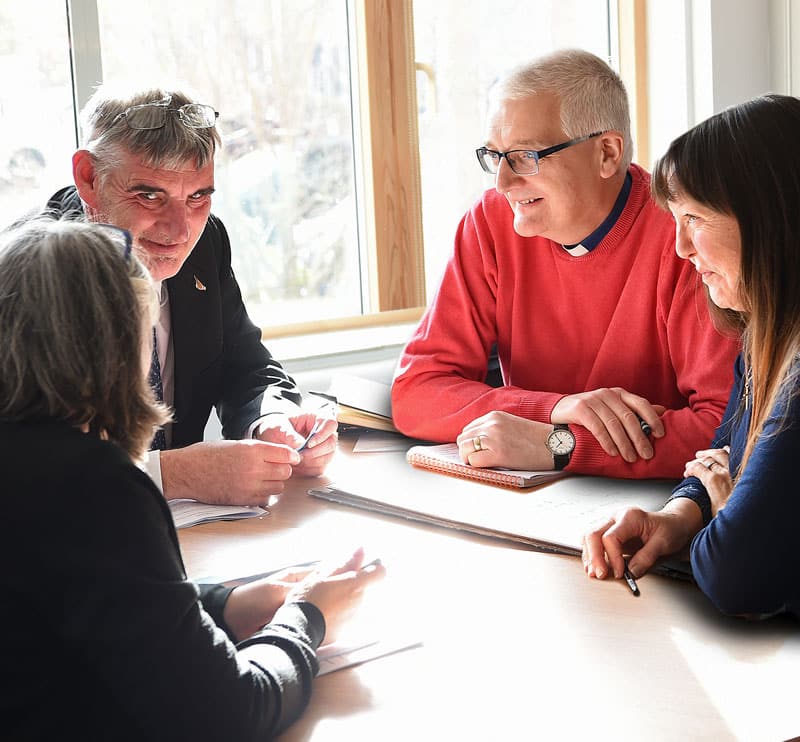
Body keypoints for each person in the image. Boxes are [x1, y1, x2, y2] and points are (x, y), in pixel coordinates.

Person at [0, 218, 384, 738]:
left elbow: (97, 596)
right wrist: (306, 618)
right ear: (112, 351)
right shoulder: (95, 487)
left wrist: (225, 605)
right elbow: (230, 713)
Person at [391, 49, 739, 479]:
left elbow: (727, 425)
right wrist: (555, 409)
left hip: (652, 510)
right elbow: (416, 392)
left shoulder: (685, 237)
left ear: (607, 153)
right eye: (494, 156)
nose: (502, 182)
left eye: (525, 156)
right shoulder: (489, 222)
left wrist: (559, 444)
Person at [45, 84, 337, 506]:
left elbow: (244, 365)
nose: (181, 231)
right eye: (149, 195)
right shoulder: (31, 269)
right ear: (89, 178)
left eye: (198, 196)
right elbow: (26, 462)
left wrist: (274, 420)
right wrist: (172, 474)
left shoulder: (206, 243)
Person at [582, 94, 800, 619]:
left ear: (766, 217)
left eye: (695, 219)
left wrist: (728, 511)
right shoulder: (766, 334)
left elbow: (737, 576)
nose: (681, 247)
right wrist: (681, 515)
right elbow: (723, 451)